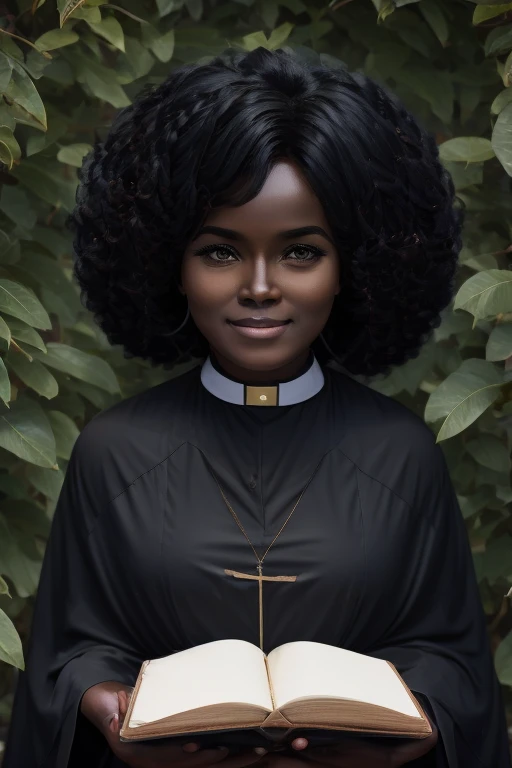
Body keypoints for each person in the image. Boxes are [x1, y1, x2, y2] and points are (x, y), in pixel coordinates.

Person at [3, 46, 510, 768]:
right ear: (169, 265)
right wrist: (100, 701)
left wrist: (418, 726)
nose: (261, 286)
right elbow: (68, 653)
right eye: (220, 253)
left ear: (354, 268)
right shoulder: (114, 451)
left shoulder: (402, 454)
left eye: (301, 253)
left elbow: (452, 664)